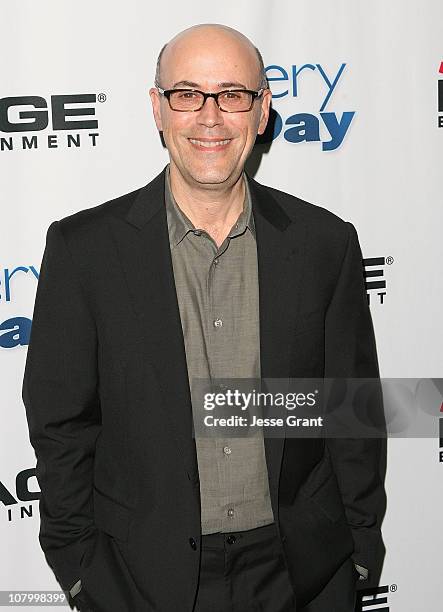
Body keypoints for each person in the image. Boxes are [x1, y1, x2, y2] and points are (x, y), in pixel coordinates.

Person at [22, 23, 386, 612]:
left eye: (232, 94)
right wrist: (81, 570)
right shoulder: (83, 250)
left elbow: (351, 407)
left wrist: (362, 548)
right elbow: (61, 424)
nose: (210, 116)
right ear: (157, 110)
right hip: (139, 580)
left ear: (262, 110)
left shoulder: (326, 243)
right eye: (186, 94)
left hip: (302, 575)